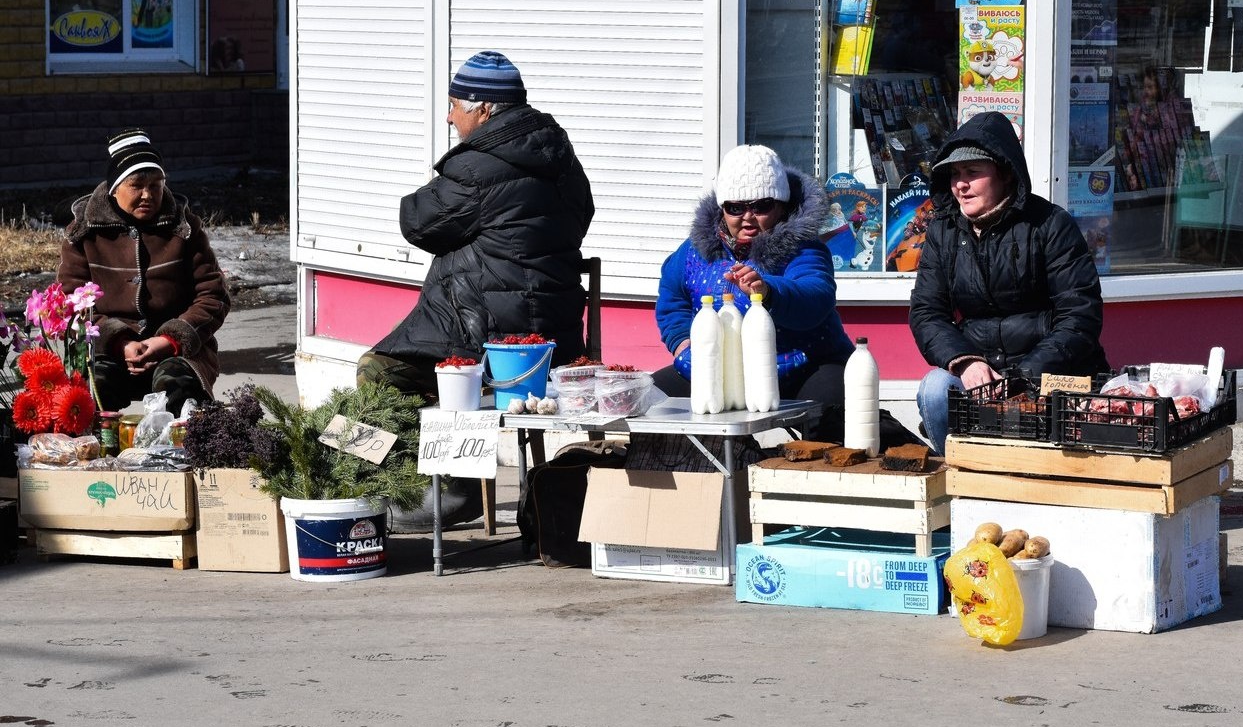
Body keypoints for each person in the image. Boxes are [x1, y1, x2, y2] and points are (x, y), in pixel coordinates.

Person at [357, 50, 594, 527]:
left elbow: (418, 221)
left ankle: (414, 487)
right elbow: (581, 215)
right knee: (418, 367)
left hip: (488, 337)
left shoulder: (478, 167)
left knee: (379, 372)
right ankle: (437, 482)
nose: (449, 116)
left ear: (484, 108)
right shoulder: (561, 156)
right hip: (555, 340)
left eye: (455, 105)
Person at [653, 145, 917, 447]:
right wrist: (681, 342)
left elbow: (815, 296)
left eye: (761, 206)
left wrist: (769, 292)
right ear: (721, 208)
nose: (748, 218)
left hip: (806, 364)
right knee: (656, 401)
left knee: (830, 417)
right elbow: (673, 297)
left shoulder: (804, 247)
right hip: (723, 372)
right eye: (735, 208)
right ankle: (720, 475)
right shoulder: (694, 251)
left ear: (781, 205)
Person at [909, 111, 1109, 455]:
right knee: (934, 389)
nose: (961, 185)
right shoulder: (943, 231)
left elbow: (1079, 316)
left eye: (973, 173)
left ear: (1004, 173)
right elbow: (927, 312)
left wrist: (1024, 377)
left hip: (1050, 374)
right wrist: (965, 362)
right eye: (955, 174)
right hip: (981, 372)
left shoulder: (1049, 224)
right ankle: (960, 481)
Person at [59, 128, 231, 418]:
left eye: (156, 184)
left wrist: (168, 341)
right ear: (115, 188)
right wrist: (120, 343)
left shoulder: (184, 228)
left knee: (179, 391)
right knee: (86, 397)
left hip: (175, 351)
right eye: (136, 185)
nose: (148, 195)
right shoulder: (84, 233)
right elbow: (71, 301)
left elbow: (213, 296)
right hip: (108, 350)